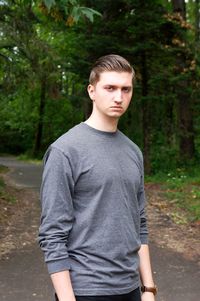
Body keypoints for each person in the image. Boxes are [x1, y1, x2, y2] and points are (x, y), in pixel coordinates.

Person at [38, 54, 157, 301]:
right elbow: (52, 234)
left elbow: (140, 224)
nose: (118, 97)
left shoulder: (133, 151)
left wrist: (148, 289)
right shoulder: (65, 151)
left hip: (131, 288)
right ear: (92, 91)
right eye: (110, 88)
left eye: (126, 89)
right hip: (85, 290)